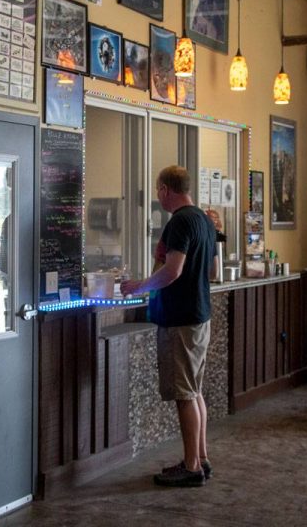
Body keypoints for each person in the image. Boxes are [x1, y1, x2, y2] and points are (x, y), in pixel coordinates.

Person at [121, 165, 217, 487]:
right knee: (194, 390)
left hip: (180, 319)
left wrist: (139, 286)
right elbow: (214, 271)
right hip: (200, 315)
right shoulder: (204, 219)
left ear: (164, 189)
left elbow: (172, 271)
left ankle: (191, 467)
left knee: (184, 395)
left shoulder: (179, 221)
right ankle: (200, 458)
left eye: (157, 191)